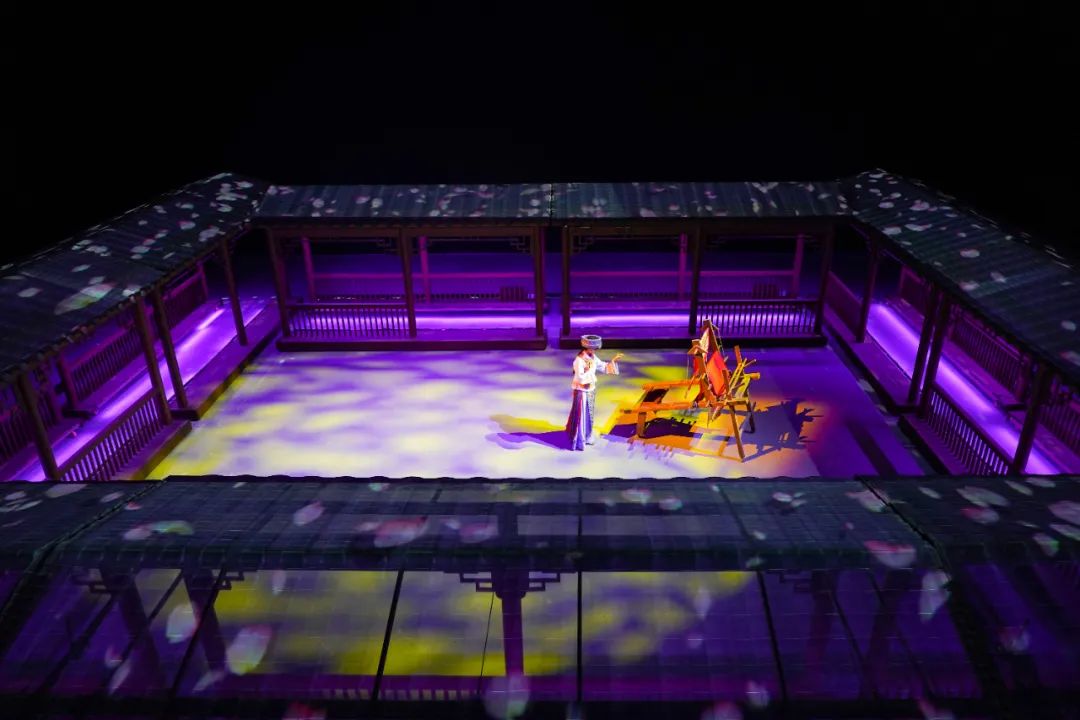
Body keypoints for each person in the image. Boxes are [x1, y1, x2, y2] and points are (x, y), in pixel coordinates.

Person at [566, 335, 624, 450]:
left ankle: (587, 435)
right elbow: (580, 377)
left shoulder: (592, 357)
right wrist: (590, 375)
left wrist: (613, 361)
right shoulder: (579, 360)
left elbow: (602, 366)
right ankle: (580, 439)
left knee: (589, 414)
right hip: (582, 391)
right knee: (581, 415)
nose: (593, 351)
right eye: (592, 349)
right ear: (586, 348)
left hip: (590, 390)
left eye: (595, 349)